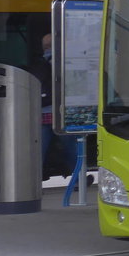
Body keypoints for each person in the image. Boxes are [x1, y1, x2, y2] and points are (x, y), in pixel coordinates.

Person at [28, 33, 76, 178]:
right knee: (72, 149)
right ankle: (78, 178)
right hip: (60, 114)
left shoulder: (37, 63)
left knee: (39, 151)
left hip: (42, 115)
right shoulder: (62, 61)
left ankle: (32, 183)